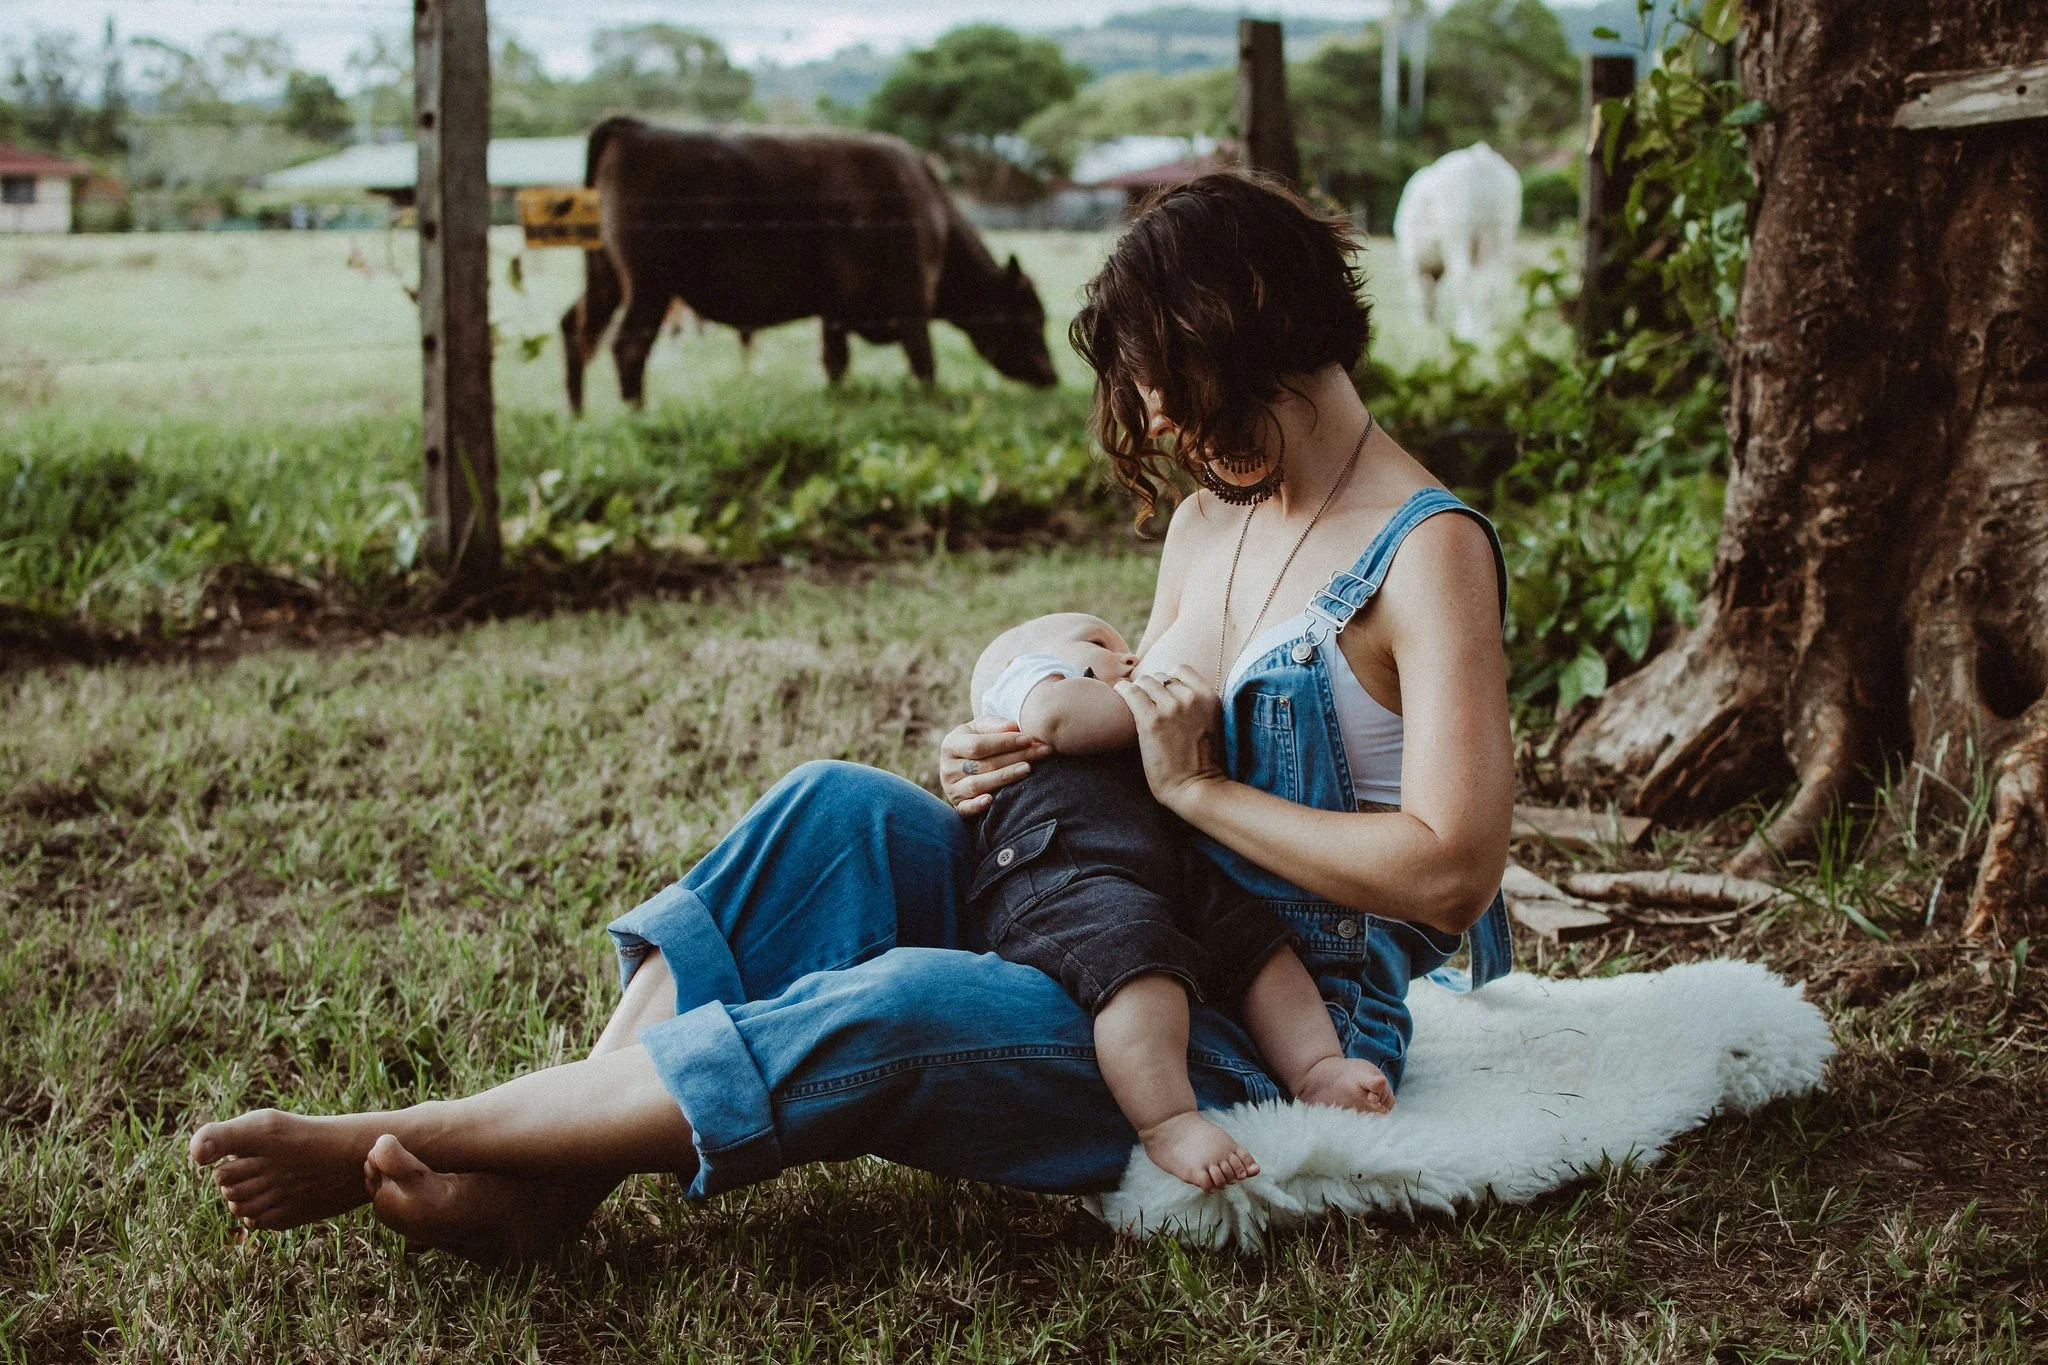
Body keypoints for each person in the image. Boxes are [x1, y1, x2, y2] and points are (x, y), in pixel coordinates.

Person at [186, 170, 1516, 1263]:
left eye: (1177, 382)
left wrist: (1205, 796)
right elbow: (1142, 724)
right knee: (834, 812)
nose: (1163, 425)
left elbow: (1450, 872)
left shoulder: (1424, 551)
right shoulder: (1214, 517)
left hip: (1269, 1013)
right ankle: (553, 1176)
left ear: (1259, 325)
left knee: (906, 1003)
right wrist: (1023, 742)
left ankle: (453, 1129)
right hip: (1128, 903)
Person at [967, 611, 1394, 1193]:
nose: (1134, 658)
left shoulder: (1087, 698)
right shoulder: (1026, 682)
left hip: (1166, 861)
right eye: (1100, 642)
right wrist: (1154, 704)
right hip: (1068, 862)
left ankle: (1316, 1067)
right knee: (1137, 958)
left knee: (1256, 940)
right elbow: (1060, 716)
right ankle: (1167, 1119)